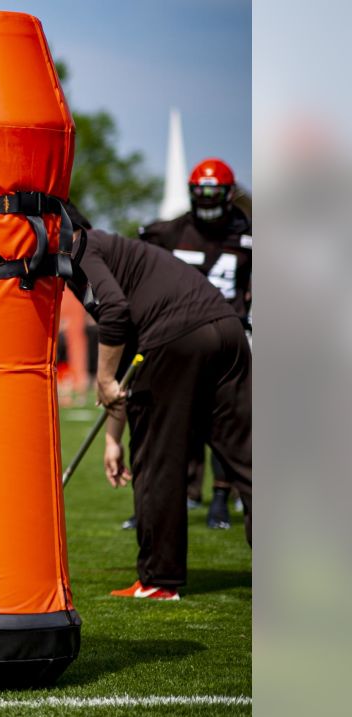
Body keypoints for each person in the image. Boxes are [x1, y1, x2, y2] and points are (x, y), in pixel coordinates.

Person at [67, 201, 251, 601]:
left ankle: (158, 579)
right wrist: (113, 437)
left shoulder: (82, 249)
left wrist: (101, 380)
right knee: (249, 458)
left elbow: (115, 314)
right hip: (227, 330)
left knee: (155, 458)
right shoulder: (112, 248)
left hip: (177, 337)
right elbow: (128, 345)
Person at [139, 158, 252, 529]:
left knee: (229, 423)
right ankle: (173, 498)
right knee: (174, 420)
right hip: (182, 338)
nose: (206, 201)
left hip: (230, 337)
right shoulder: (169, 232)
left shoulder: (248, 232)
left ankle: (223, 496)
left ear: (229, 194)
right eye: (200, 194)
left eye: (213, 194)